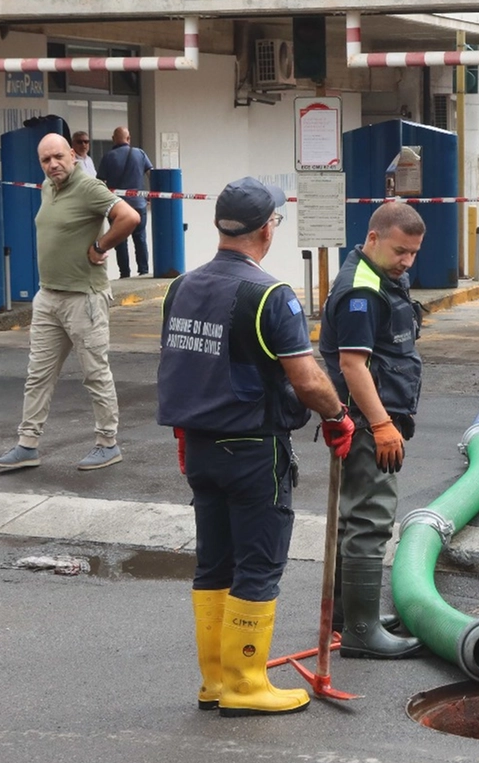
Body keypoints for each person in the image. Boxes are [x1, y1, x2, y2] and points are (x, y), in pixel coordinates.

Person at [157, 177, 356, 717]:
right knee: (258, 566)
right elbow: (308, 381)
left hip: (199, 447)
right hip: (252, 451)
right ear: (268, 227)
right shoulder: (270, 294)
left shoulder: (181, 287)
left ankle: (216, 682)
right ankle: (246, 685)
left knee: (213, 564)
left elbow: (185, 367)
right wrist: (338, 415)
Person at [0, 134, 140, 472]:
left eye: (58, 157)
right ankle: (27, 445)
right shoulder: (47, 187)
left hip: (84, 297)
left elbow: (129, 217)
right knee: (37, 375)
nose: (52, 164)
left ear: (73, 155)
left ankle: (107, 443)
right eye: (45, 160)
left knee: (95, 373)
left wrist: (101, 246)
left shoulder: (87, 187)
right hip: (49, 296)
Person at [318, 201, 428, 659]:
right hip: (367, 422)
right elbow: (351, 364)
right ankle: (362, 632)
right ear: (374, 239)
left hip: (371, 417)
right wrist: (381, 425)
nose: (407, 262)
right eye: (400, 251)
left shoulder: (383, 279)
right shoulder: (361, 290)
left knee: (355, 517)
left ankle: (349, 618)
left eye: (414, 254)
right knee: (370, 518)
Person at [95, 126, 153, 278]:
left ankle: (124, 274)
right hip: (139, 205)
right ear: (128, 139)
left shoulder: (108, 157)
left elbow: (99, 182)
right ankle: (143, 271)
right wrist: (150, 196)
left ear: (114, 139)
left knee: (120, 241)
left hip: (117, 207)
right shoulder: (140, 154)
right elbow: (151, 174)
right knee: (140, 239)